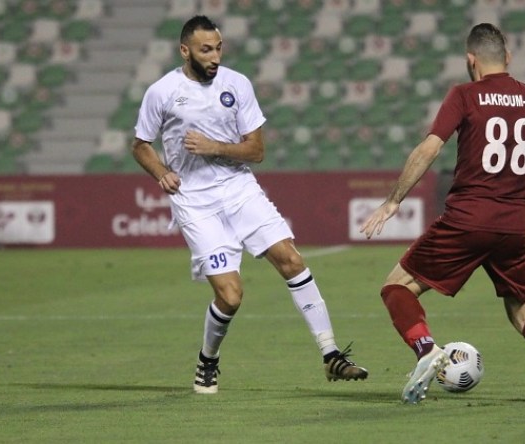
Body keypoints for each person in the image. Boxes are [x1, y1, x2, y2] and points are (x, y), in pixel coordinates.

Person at [360, 23, 525, 405]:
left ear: (470, 60)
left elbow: (429, 148)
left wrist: (394, 200)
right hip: (513, 227)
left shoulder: (465, 95)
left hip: (466, 219)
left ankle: (427, 349)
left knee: (397, 287)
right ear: (508, 58)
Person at [131, 15, 368, 394]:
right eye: (206, 50)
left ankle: (331, 355)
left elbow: (256, 150)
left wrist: (215, 147)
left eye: (219, 48)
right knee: (230, 295)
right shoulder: (162, 91)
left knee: (291, 259)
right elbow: (140, 144)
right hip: (194, 201)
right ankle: (208, 360)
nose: (214, 57)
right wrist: (161, 171)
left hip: (239, 187)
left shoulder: (237, 84)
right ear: (185, 50)